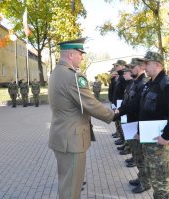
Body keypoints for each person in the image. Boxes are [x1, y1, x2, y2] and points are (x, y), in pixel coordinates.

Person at [48, 38, 116, 199]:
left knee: (67, 183)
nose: (82, 58)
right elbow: (90, 104)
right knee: (71, 189)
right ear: (71, 54)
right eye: (80, 54)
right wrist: (113, 115)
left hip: (62, 136)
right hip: (72, 140)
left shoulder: (56, 72)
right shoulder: (72, 76)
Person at [138, 51, 169, 198]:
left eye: (147, 63)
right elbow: (145, 110)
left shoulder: (167, 84)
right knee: (154, 176)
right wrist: (140, 131)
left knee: (160, 180)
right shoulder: (151, 83)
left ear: (157, 64)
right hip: (150, 138)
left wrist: (166, 136)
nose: (144, 67)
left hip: (159, 140)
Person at [116, 58, 150, 193]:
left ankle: (145, 182)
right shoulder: (135, 83)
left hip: (137, 124)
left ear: (141, 67)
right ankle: (141, 177)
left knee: (141, 156)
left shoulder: (143, 84)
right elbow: (127, 102)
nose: (130, 70)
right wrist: (119, 111)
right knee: (136, 154)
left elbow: (136, 106)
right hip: (131, 122)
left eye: (132, 67)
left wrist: (118, 113)